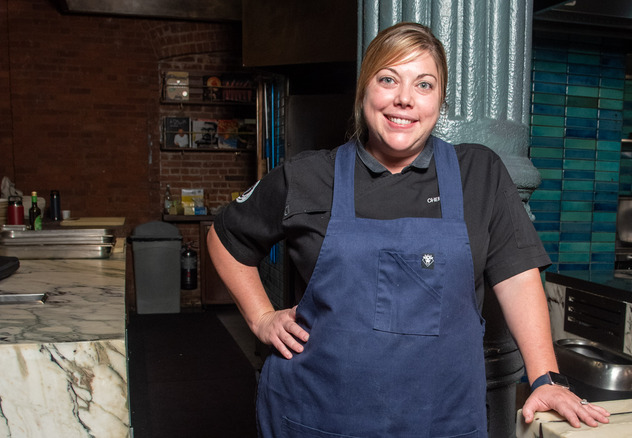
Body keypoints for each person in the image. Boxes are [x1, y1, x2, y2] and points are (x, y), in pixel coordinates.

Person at [208, 21, 609, 437]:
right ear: (364, 89)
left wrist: (545, 378)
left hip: (442, 420)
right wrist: (260, 318)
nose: (404, 99)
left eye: (424, 84)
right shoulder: (308, 176)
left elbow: (517, 276)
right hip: (319, 415)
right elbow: (225, 237)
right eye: (388, 79)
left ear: (440, 99)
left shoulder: (480, 173)